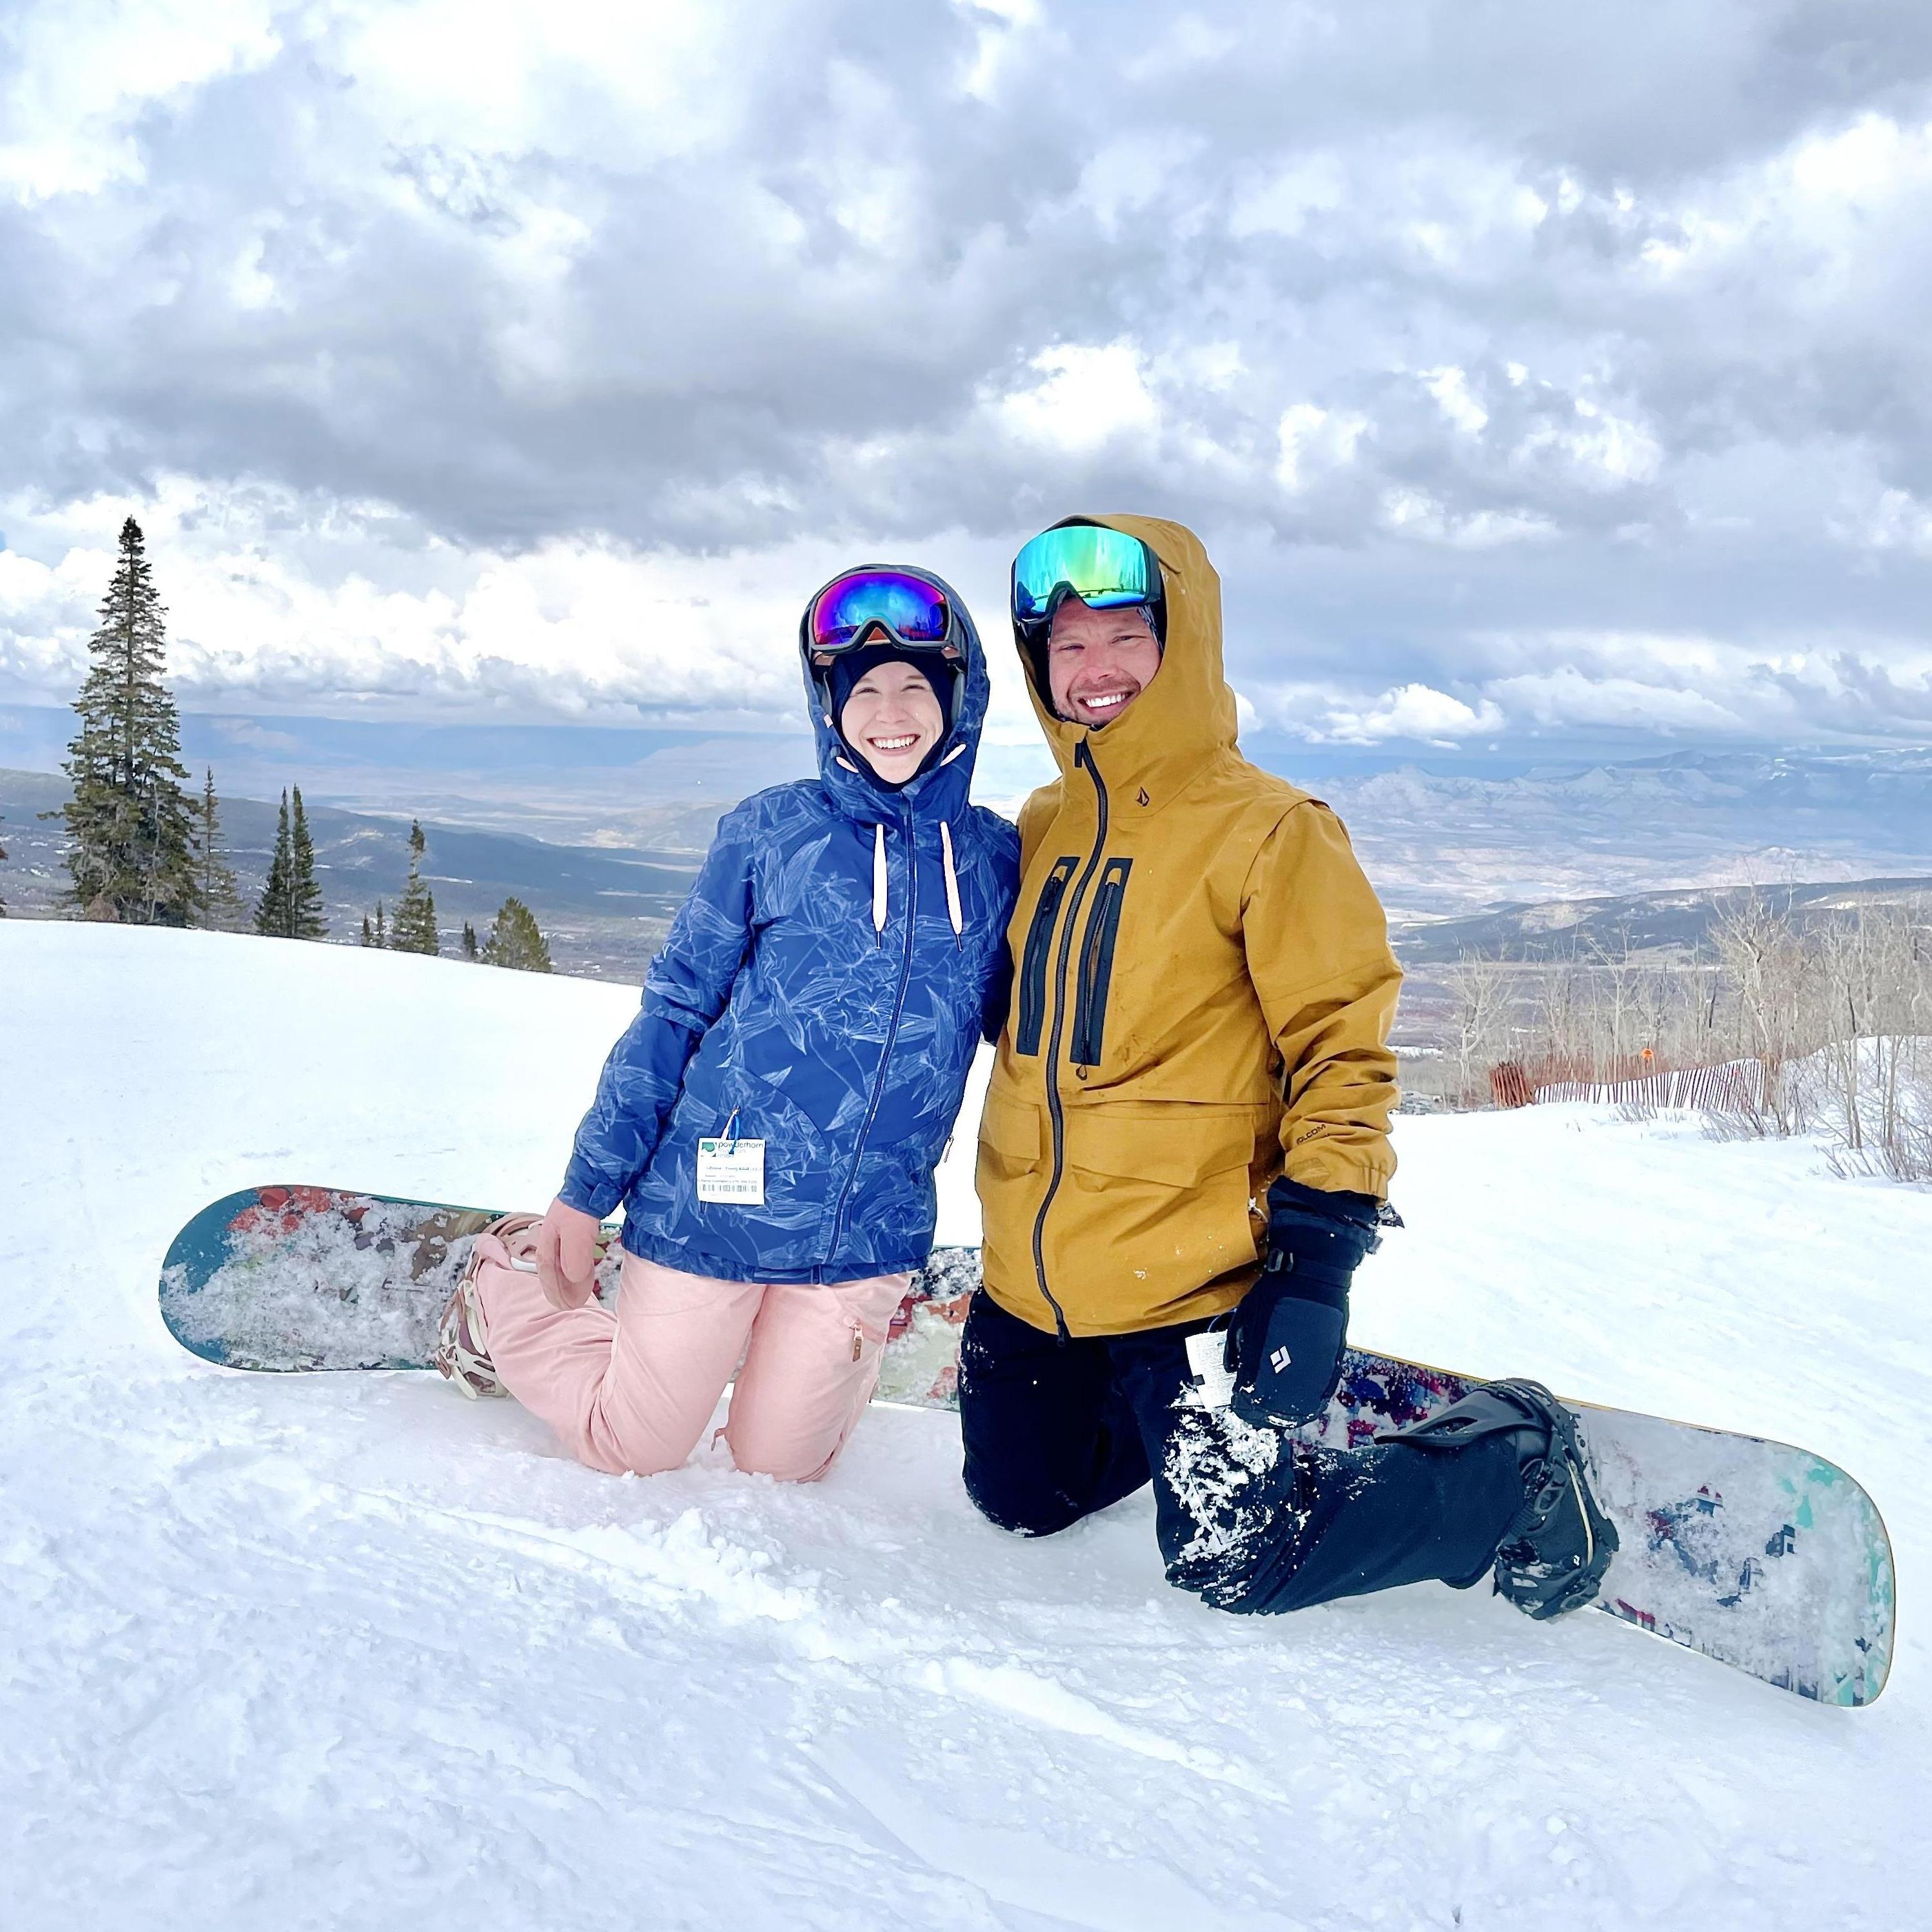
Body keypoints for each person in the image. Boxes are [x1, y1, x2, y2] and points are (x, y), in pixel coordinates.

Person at [959, 514, 1617, 1620]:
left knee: (1238, 1562)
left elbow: (1340, 1051)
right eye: (1066, 645)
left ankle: (1515, 1460)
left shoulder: (1272, 830)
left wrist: (1315, 1266)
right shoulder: (1043, 823)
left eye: (1123, 635)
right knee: (1021, 1498)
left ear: (1182, 643)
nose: (1094, 667)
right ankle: (1152, 1422)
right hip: (1043, 1275)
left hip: (1194, 1281)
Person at [434, 567, 1019, 1484]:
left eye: (914, 684)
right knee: (634, 1447)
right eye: (862, 690)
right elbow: (673, 1013)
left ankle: (787, 1358)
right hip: (717, 1202)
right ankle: (500, 1286)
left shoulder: (992, 859)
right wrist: (586, 1191)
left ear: (959, 698)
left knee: (778, 1471)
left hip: (865, 1229)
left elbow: (1021, 1026)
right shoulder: (771, 832)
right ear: (830, 708)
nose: (889, 712)